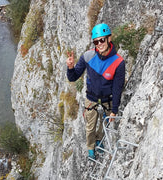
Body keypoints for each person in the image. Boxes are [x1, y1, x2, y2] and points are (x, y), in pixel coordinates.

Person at [66, 23, 125, 160]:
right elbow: (73, 77)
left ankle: (99, 139)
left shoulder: (118, 62)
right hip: (91, 99)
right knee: (90, 127)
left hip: (108, 100)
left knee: (104, 123)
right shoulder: (87, 56)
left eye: (102, 40)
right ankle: (91, 147)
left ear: (109, 39)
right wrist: (70, 67)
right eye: (96, 41)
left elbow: (117, 88)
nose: (99, 44)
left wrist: (114, 110)